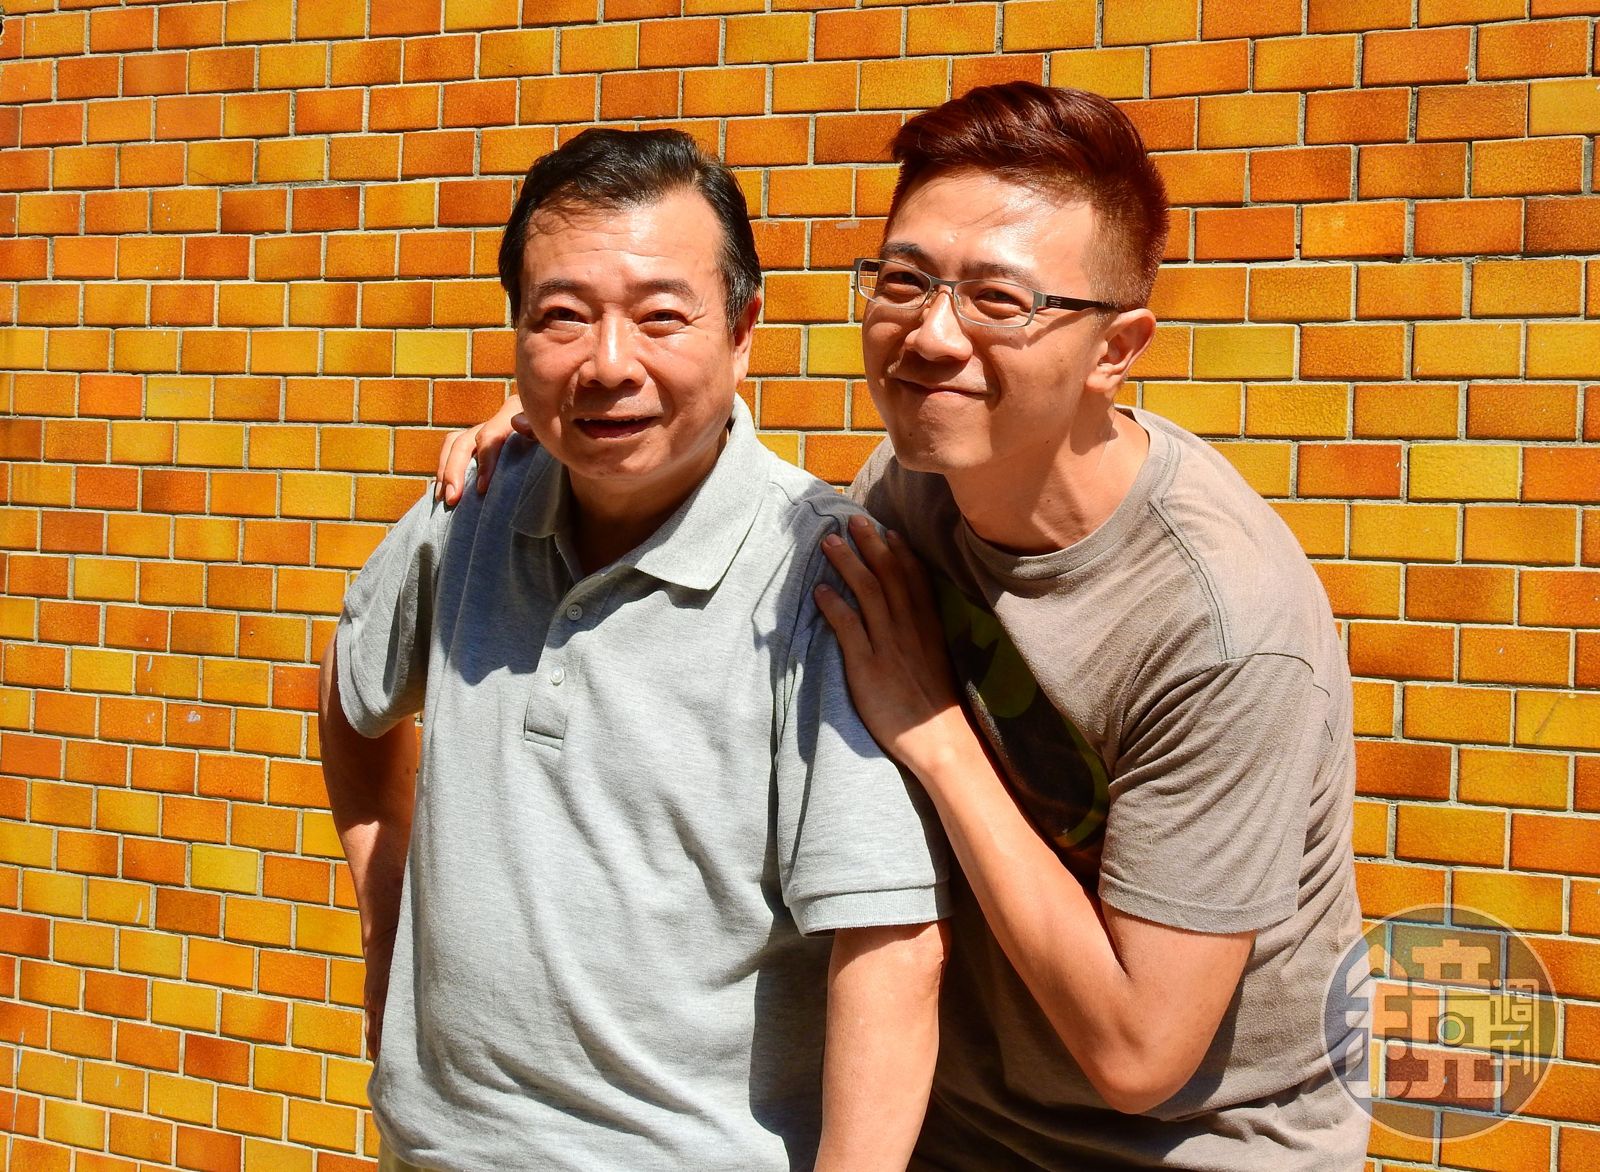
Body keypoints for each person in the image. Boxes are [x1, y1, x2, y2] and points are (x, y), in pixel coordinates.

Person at [443, 84, 1369, 1170]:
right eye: (903, 280)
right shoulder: (911, 486)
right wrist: (580, 416)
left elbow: (1139, 1051)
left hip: (1191, 1144)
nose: (930, 336)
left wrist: (934, 732)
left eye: (999, 300)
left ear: (1116, 348)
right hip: (956, 1126)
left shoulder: (1221, 626)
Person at [320, 127, 950, 1172]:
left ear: (743, 330)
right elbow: (352, 691)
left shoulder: (823, 579)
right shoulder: (470, 507)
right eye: (561, 317)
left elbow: (891, 949)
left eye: (662, 316)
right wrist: (385, 904)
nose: (609, 364)